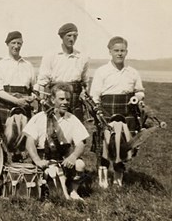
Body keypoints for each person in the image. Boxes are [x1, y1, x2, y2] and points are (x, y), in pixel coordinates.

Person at [90, 36, 144, 187]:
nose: (119, 53)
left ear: (126, 52)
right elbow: (95, 96)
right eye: (116, 50)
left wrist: (137, 97)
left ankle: (118, 178)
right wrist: (98, 112)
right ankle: (102, 179)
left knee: (123, 145)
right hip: (107, 111)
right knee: (106, 144)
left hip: (127, 113)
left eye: (122, 50)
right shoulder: (102, 71)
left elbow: (140, 91)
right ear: (110, 52)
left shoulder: (132, 72)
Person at [23, 83, 88, 200]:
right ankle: (54, 191)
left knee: (80, 164)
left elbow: (81, 144)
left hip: (64, 160)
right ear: (53, 99)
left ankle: (73, 191)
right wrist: (37, 160)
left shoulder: (72, 119)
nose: (65, 102)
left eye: (68, 99)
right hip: (44, 160)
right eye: (61, 99)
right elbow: (30, 142)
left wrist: (73, 157)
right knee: (52, 178)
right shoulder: (39, 118)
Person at [0, 31, 36, 154]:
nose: (16, 46)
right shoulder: (0, 65)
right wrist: (16, 101)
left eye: (19, 43)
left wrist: (32, 97)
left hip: (24, 108)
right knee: (5, 142)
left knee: (22, 142)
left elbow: (34, 88)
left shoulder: (28, 65)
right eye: (13, 43)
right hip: (5, 106)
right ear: (7, 44)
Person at [36, 23, 89, 121]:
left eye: (75, 36)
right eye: (69, 35)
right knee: (55, 129)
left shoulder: (82, 57)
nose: (72, 39)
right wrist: (42, 102)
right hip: (56, 98)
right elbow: (42, 81)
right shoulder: (51, 55)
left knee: (75, 128)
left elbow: (85, 81)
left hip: (75, 100)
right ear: (62, 36)